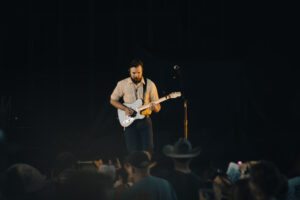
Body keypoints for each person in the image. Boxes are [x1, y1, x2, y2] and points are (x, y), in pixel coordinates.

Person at [110, 59, 161, 153]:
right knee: (132, 152)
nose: (136, 75)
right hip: (129, 122)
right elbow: (112, 100)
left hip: (145, 120)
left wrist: (155, 108)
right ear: (129, 71)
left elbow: (158, 107)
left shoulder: (150, 84)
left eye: (139, 72)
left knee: (148, 151)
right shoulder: (122, 84)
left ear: (142, 71)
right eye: (133, 73)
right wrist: (125, 108)